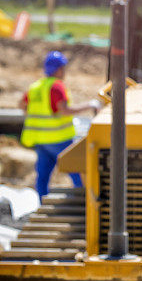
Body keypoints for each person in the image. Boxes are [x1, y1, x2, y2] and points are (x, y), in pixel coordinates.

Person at [19, 51, 101, 201]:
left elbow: (22, 104)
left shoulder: (36, 87)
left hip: (40, 139)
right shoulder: (56, 87)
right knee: (76, 170)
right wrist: (89, 105)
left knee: (42, 175)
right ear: (59, 69)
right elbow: (64, 110)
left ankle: (42, 203)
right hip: (58, 139)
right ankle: (84, 204)